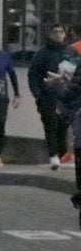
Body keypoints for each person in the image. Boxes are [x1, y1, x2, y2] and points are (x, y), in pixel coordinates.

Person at [28, 23, 76, 170]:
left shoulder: (70, 52)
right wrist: (38, 94)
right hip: (48, 97)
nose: (58, 34)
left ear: (65, 34)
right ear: (49, 34)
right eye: (55, 31)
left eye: (61, 31)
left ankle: (62, 156)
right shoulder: (42, 54)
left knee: (63, 128)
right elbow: (33, 75)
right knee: (51, 126)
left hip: (66, 97)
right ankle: (53, 155)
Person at [0, 32, 19, 168]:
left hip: (1, 94)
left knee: (0, 124)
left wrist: (17, 94)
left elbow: (12, 74)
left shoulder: (4, 56)